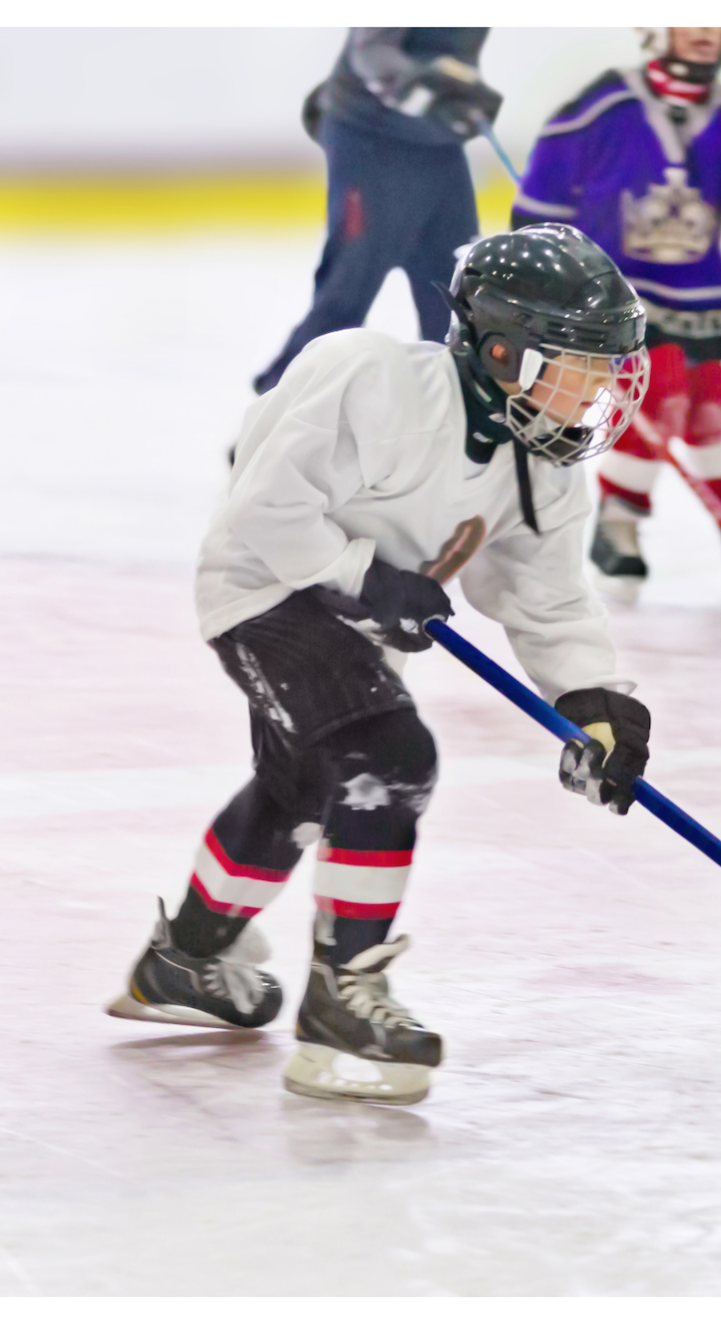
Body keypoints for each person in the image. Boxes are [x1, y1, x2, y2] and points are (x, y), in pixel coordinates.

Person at [109, 225, 656, 1107]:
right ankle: (341, 999)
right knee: (386, 760)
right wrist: (365, 573)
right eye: (578, 364)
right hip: (266, 588)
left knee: (299, 785)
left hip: (353, 623)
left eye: (608, 368)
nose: (599, 391)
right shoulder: (373, 379)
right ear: (503, 349)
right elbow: (266, 507)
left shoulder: (541, 465)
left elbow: (546, 600)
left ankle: (186, 961)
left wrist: (594, 699)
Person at [509, 26, 721, 601]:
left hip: (698, 295)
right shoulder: (605, 105)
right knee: (657, 389)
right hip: (613, 293)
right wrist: (541, 264)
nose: (705, 33)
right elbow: (543, 196)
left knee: (709, 398)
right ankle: (621, 518)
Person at [252, 28, 502, 395]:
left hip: (436, 142)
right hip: (371, 139)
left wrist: (461, 92)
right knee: (349, 286)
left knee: (457, 294)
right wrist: (424, 90)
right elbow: (372, 51)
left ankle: (458, 416)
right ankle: (280, 408)